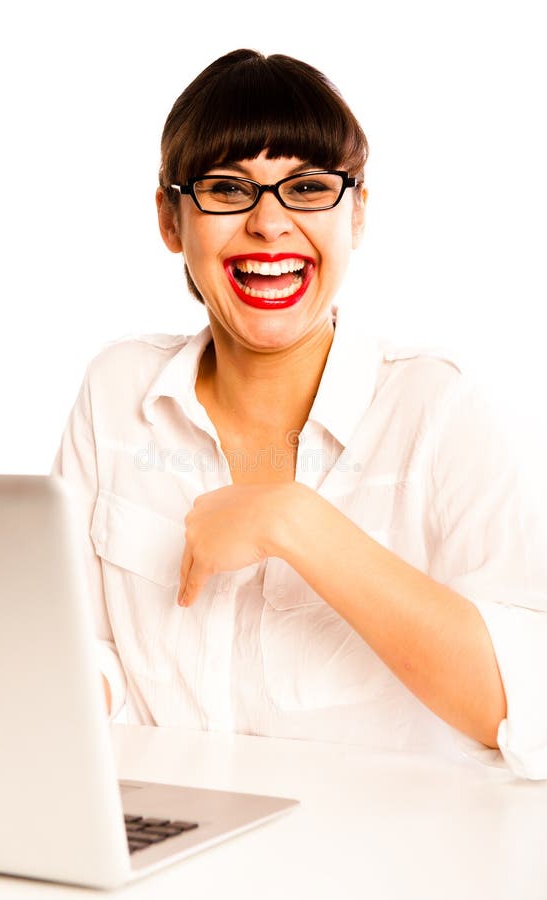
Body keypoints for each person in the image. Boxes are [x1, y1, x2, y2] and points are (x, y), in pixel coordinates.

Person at [52, 49, 547, 779]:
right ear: (169, 218)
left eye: (307, 188)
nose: (268, 225)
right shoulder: (115, 391)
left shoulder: (442, 411)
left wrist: (296, 523)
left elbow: (528, 708)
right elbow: (82, 642)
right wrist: (61, 691)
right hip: (172, 849)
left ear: (356, 213)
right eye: (227, 190)